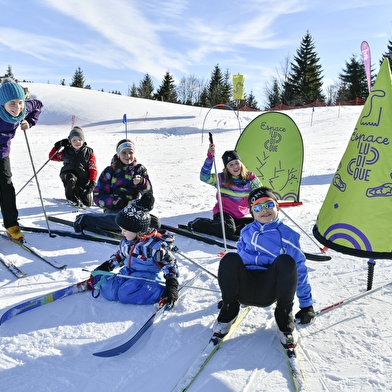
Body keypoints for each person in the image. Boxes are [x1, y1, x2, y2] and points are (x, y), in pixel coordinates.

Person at [211, 186, 315, 347]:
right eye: (258, 207)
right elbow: (239, 262)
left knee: (286, 262)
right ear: (252, 212)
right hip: (245, 288)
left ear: (277, 207)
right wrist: (230, 294)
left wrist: (307, 304)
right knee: (230, 258)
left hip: (270, 288)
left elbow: (299, 269)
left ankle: (284, 317)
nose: (264, 211)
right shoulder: (246, 232)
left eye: (269, 205)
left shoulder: (287, 234)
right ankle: (229, 308)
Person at [89, 192, 179, 307]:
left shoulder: (154, 246)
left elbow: (170, 264)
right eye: (121, 229)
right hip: (127, 272)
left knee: (125, 294)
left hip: (146, 277)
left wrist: (171, 286)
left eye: (125, 230)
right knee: (110, 291)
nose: (122, 233)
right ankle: (101, 280)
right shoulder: (127, 241)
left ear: (138, 230)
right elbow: (120, 256)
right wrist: (106, 266)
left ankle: (159, 292)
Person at [73, 139, 160, 234]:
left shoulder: (139, 169)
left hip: (133, 211)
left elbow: (148, 197)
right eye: (124, 153)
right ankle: (86, 219)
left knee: (155, 223)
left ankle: (130, 226)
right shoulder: (110, 171)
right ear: (118, 154)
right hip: (114, 210)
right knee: (121, 220)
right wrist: (120, 202)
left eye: (130, 152)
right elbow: (98, 197)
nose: (128, 156)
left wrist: (142, 183)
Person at [187, 144, 262, 240]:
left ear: (241, 164)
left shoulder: (248, 180)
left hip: (239, 217)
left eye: (236, 163)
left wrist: (254, 179)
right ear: (227, 168)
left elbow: (260, 193)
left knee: (261, 223)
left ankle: (234, 229)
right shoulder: (221, 179)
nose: (235, 167)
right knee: (228, 229)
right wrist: (210, 158)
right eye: (231, 165)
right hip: (223, 213)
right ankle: (198, 223)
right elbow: (204, 177)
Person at [0, 78, 43, 241]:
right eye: (12, 103)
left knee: (6, 187)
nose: (17, 108)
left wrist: (29, 122)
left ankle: (11, 225)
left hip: (3, 152)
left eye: (20, 102)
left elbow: (38, 105)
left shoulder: (24, 109)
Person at [48, 126, 97, 207]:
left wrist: (92, 182)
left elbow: (93, 168)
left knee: (87, 203)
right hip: (67, 174)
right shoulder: (66, 151)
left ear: (83, 140)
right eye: (74, 140)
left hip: (82, 178)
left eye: (79, 140)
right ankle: (71, 199)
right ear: (70, 141)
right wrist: (57, 146)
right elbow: (52, 157)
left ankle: (80, 198)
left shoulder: (88, 152)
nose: (77, 142)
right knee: (71, 178)